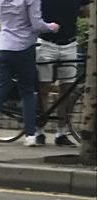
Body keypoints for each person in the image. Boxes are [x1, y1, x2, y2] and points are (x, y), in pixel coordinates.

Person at [0, 0, 58, 147]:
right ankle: (30, 136)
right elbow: (37, 25)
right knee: (27, 92)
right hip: (25, 48)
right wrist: (51, 27)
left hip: (4, 47)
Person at [35, 0, 89, 145]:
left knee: (67, 89)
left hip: (69, 44)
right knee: (43, 87)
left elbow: (86, 10)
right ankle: (39, 130)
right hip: (46, 42)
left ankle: (61, 131)